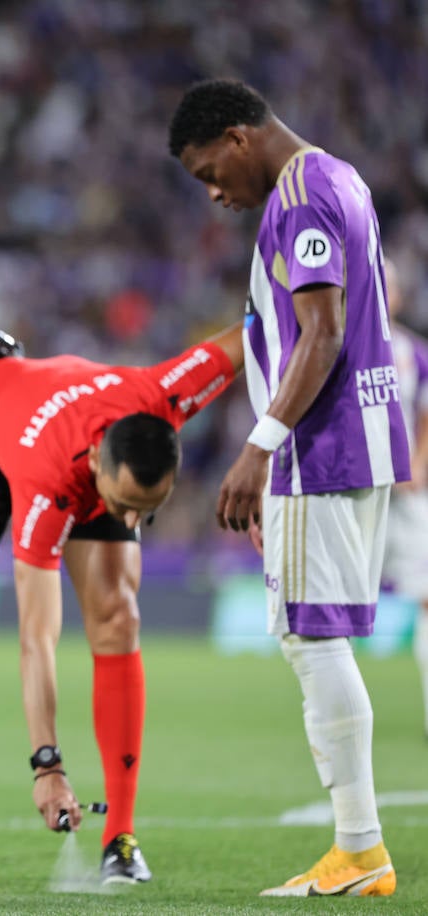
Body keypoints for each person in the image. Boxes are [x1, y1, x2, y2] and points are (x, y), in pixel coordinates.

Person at [0, 322, 245, 884]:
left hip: (71, 435)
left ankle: (120, 838)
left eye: (146, 509)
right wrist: (46, 764)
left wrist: (269, 450)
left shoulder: (165, 394)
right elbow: (37, 640)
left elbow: (261, 327)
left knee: (118, 620)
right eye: (123, 504)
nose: (129, 522)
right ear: (99, 461)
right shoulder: (48, 486)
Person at [170, 78, 408, 897]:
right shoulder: (338, 177)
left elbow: (324, 330)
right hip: (356, 441)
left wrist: (259, 447)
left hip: (319, 446)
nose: (213, 192)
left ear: (239, 137)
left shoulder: (302, 196)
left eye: (210, 170)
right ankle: (359, 847)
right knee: (317, 634)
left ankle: (360, 848)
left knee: (312, 639)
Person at [381, 259, 428, 733]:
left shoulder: (414, 352)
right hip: (358, 494)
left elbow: (426, 415)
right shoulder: (339, 346)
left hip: (409, 498)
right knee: (334, 604)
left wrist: (416, 465)